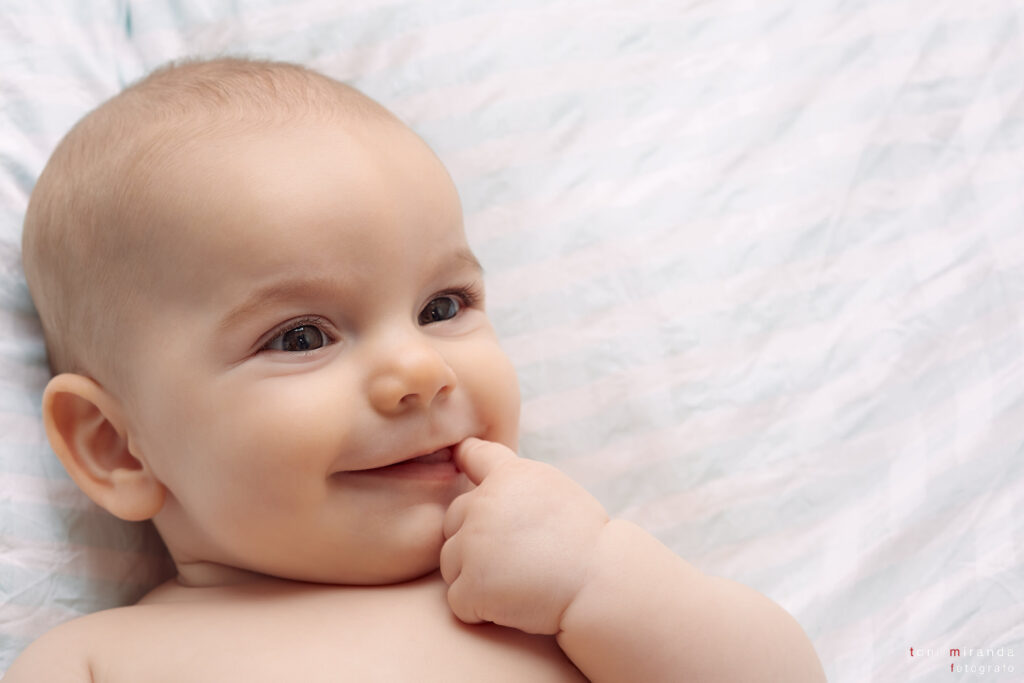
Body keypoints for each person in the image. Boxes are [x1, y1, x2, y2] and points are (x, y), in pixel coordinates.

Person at [8, 57, 825, 682]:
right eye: (300, 336)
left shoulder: (545, 593)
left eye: (443, 306)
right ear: (117, 446)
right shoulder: (96, 661)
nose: (421, 367)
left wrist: (598, 579)